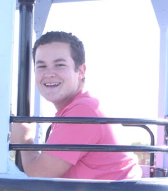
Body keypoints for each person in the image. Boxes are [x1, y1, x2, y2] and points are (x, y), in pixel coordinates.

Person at [10, 31, 142, 180]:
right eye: (41, 66)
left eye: (59, 65)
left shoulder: (82, 112)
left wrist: (24, 139)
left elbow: (39, 174)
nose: (49, 73)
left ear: (81, 71)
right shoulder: (79, 108)